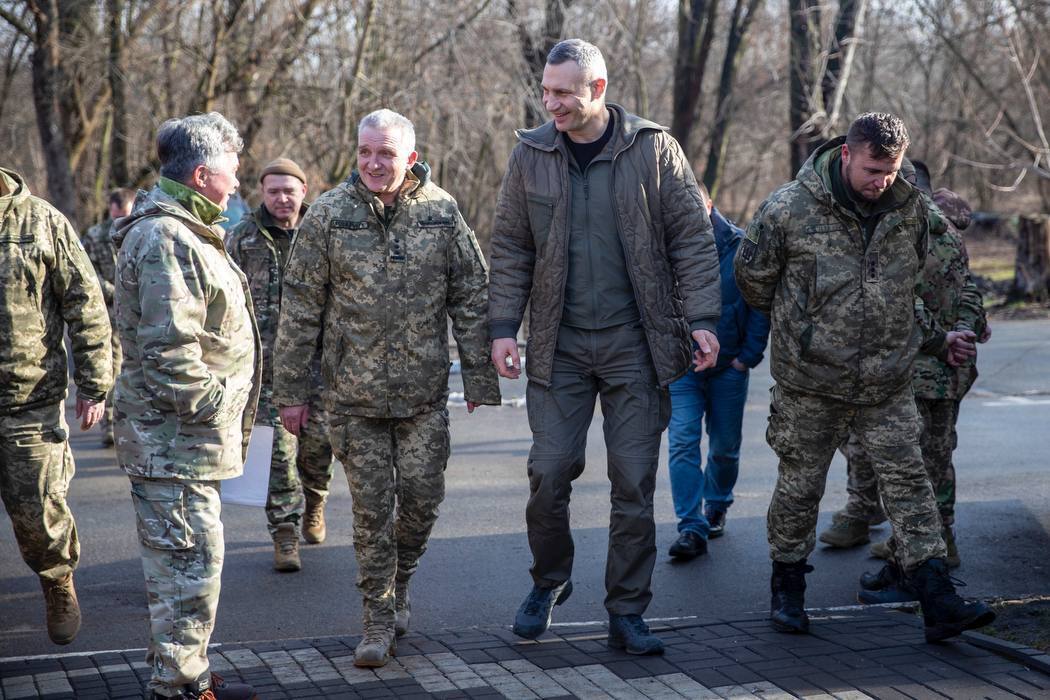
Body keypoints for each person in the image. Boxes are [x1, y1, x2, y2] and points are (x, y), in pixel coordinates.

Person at [488, 39, 721, 655]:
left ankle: (627, 610)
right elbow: (511, 245)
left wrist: (702, 318)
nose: (550, 102)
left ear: (597, 89)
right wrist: (502, 328)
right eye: (546, 90)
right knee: (549, 472)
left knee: (634, 482)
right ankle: (549, 581)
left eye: (562, 92)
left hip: (635, 345)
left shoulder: (652, 149)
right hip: (558, 345)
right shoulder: (531, 153)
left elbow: (692, 240)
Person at [734, 111, 995, 643]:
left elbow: (929, 283)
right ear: (847, 154)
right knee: (800, 488)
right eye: (874, 169)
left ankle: (937, 597)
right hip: (811, 383)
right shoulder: (788, 209)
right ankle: (787, 588)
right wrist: (808, 329)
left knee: (910, 484)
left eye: (893, 170)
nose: (883, 181)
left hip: (888, 381)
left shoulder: (913, 212)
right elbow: (754, 281)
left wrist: (921, 332)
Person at [273, 108, 500, 668]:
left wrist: (478, 375)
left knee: (422, 503)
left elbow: (471, 295)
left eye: (387, 154)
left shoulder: (442, 214)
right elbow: (300, 308)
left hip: (423, 395)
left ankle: (402, 584)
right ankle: (376, 620)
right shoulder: (327, 214)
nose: (374, 164)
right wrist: (291, 392)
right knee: (372, 514)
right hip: (352, 398)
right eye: (366, 152)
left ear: (411, 159)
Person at [112, 112, 260, 700]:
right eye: (233, 166)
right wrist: (221, 408)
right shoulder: (167, 238)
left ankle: (184, 669)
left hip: (184, 441)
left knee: (187, 565)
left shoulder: (186, 230)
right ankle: (177, 686)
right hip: (175, 442)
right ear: (203, 174)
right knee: (187, 569)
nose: (239, 177)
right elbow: (170, 353)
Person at [0, 166, 112, 646]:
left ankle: (57, 581)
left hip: (28, 400)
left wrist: (95, 383)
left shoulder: (40, 221)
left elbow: (85, 305)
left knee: (38, 512)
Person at [225, 157, 334, 573]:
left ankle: (316, 500)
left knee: (318, 448)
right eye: (273, 191)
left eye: (289, 190)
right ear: (262, 193)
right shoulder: (240, 239)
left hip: (320, 367)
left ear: (304, 192)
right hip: (266, 369)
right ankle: (284, 534)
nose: (282, 198)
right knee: (276, 457)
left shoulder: (322, 233)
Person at [666, 183, 770, 559]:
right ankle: (691, 527)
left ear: (709, 203)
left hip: (728, 367)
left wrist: (747, 357)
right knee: (682, 442)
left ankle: (718, 502)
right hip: (682, 368)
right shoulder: (664, 247)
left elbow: (759, 304)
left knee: (724, 447)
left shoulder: (740, 247)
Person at [82, 187, 136, 447]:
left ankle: (136, 425)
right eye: (115, 215)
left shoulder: (143, 231)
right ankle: (110, 426)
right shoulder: (95, 236)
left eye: (124, 214)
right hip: (109, 314)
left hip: (139, 316)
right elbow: (88, 276)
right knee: (111, 370)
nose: (119, 220)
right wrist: (118, 291)